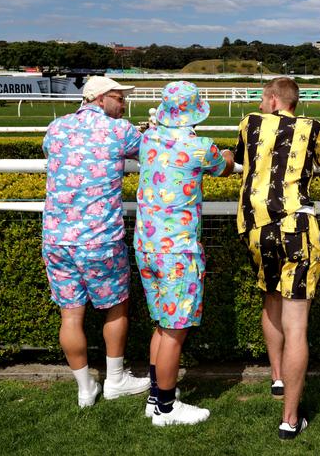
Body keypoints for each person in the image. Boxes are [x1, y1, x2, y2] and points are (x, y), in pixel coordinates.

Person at [235, 77, 320, 439]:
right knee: (297, 325)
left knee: (270, 296)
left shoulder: (249, 122)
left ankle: (277, 377)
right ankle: (290, 418)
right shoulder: (311, 127)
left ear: (271, 98)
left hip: (256, 230)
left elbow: (239, 159)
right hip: (298, 228)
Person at [42, 75, 150, 408]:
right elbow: (150, 151)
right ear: (100, 99)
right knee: (117, 307)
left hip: (57, 239)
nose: (124, 104)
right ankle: (115, 379)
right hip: (100, 239)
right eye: (119, 98)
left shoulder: (56, 127)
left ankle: (85, 389)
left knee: (70, 316)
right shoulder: (121, 130)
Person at [135, 81, 234, 426]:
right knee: (175, 330)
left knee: (162, 325)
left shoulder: (148, 139)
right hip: (177, 250)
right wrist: (229, 154)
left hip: (146, 246)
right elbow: (222, 165)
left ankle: (154, 397)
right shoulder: (199, 146)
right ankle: (166, 407)